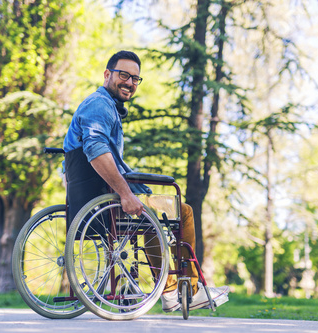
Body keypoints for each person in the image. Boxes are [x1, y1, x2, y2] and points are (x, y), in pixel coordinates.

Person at [63, 50, 229, 312]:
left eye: (135, 79)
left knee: (156, 214)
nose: (129, 82)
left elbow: (73, 164)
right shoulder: (99, 105)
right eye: (124, 75)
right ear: (107, 75)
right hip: (108, 202)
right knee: (182, 212)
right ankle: (185, 290)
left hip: (97, 199)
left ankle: (172, 291)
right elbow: (95, 150)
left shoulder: (103, 106)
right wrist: (126, 194)